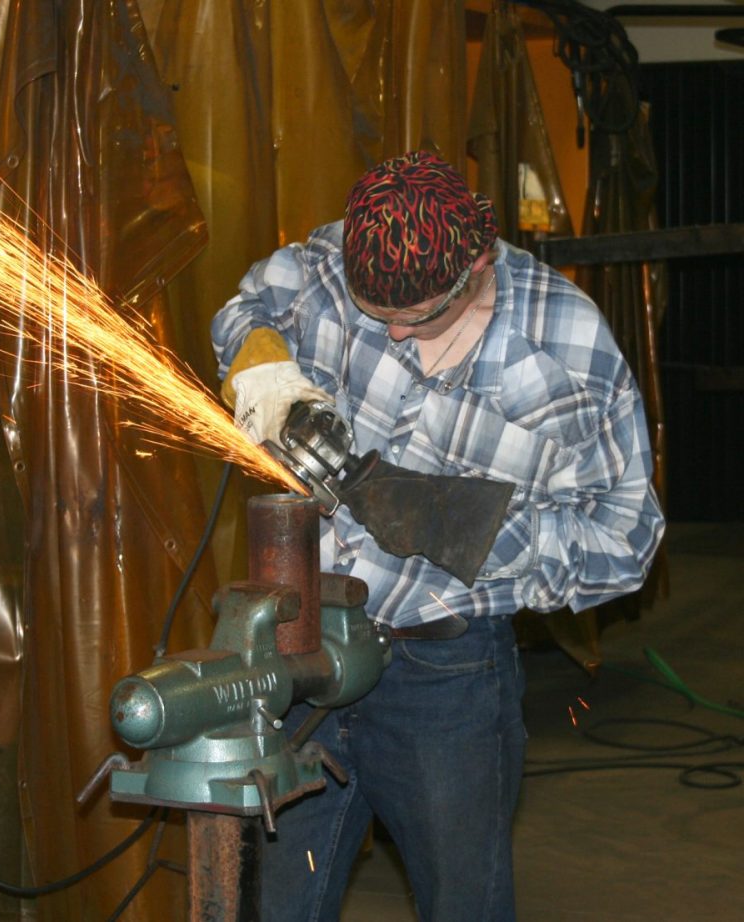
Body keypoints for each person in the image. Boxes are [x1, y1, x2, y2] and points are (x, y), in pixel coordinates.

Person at [210, 150, 664, 922]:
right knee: (270, 900)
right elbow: (245, 308)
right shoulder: (328, 260)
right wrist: (264, 370)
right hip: (300, 638)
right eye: (371, 310)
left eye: (416, 317)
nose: (389, 330)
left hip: (444, 671)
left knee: (466, 905)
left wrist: (467, 527)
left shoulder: (567, 351)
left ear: (477, 265)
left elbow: (626, 540)